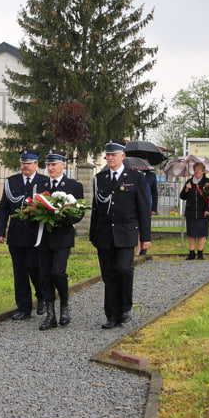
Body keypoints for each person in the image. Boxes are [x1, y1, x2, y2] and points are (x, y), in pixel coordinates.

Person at [89, 141, 152, 329]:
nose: (110, 158)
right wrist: (93, 234)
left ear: (122, 156)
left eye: (113, 155)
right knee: (109, 275)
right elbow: (96, 208)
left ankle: (125, 307)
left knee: (124, 269)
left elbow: (143, 208)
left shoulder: (135, 177)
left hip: (126, 232)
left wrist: (145, 237)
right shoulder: (100, 178)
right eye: (107, 155)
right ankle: (111, 315)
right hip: (105, 233)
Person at [0, 149, 49, 320]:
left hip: (37, 235)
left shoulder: (45, 182)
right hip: (17, 234)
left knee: (35, 268)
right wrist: (0, 231)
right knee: (20, 272)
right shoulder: (12, 182)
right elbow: (3, 208)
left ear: (36, 164)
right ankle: (24, 308)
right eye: (23, 162)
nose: (25, 165)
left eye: (29, 162)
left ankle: (41, 296)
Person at [37, 150, 84, 331]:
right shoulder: (41, 185)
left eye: (54, 164)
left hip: (63, 236)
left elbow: (79, 213)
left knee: (58, 272)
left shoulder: (73, 186)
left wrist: (62, 217)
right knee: (45, 276)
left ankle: (64, 304)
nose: (50, 168)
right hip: (44, 237)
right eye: (48, 165)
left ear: (63, 164)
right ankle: (50, 316)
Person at [178, 162, 209, 260]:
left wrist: (208, 209)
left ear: (203, 171)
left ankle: (200, 253)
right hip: (191, 211)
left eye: (199, 169)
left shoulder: (208, 182)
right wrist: (186, 189)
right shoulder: (190, 182)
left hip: (203, 211)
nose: (197, 171)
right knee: (191, 233)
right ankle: (191, 252)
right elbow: (182, 196)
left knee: (202, 233)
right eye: (195, 169)